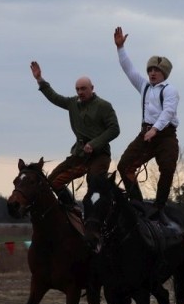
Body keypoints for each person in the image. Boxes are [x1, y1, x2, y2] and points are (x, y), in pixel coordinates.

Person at [30, 61, 120, 210]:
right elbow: (54, 97)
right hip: (79, 155)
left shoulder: (104, 106)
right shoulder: (73, 103)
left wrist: (94, 144)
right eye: (77, 89)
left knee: (95, 182)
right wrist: (39, 79)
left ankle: (108, 211)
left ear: (92, 88)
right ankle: (72, 209)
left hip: (99, 155)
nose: (80, 92)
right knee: (52, 180)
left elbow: (114, 129)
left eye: (83, 89)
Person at [114, 26, 180, 222]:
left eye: (157, 71)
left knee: (167, 168)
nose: (152, 73)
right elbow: (129, 69)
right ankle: (137, 204)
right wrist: (120, 48)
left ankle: (159, 206)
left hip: (166, 134)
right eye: (150, 70)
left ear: (164, 74)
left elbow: (168, 112)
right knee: (124, 165)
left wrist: (155, 129)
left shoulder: (170, 90)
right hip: (146, 133)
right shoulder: (144, 86)